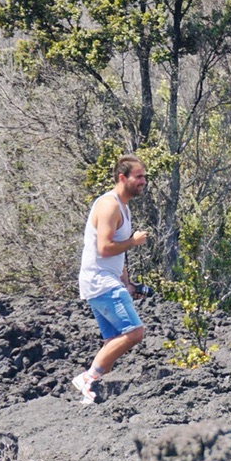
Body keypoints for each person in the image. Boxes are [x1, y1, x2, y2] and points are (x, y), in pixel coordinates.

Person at [72, 156, 151, 405]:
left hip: (106, 280)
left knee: (113, 341)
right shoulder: (109, 205)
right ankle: (88, 378)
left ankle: (90, 394)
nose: (143, 182)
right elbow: (105, 248)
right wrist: (134, 241)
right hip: (99, 280)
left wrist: (127, 284)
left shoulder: (123, 207)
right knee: (135, 332)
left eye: (144, 176)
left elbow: (118, 255)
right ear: (122, 178)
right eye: (138, 176)